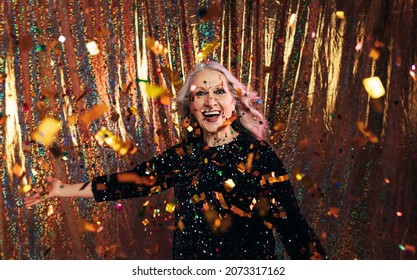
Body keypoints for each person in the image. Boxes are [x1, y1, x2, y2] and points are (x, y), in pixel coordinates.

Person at [25, 61, 327, 260]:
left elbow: (294, 227)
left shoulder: (259, 156)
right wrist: (61, 189)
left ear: (234, 100)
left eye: (219, 92)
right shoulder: (185, 155)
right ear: (191, 107)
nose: (210, 101)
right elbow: (134, 181)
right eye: (200, 94)